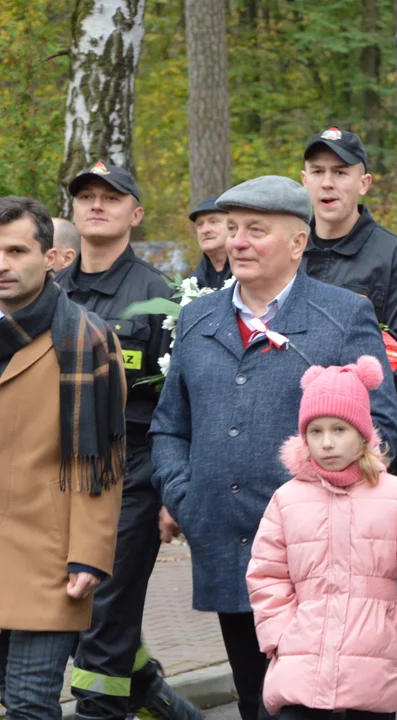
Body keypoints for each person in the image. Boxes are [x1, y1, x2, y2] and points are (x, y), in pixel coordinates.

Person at [150, 176, 397, 720]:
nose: (236, 242)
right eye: (233, 228)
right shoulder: (199, 318)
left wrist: (325, 506)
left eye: (255, 230)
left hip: (319, 561)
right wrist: (186, 497)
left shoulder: (343, 314)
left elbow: (380, 431)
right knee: (253, 698)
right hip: (227, 548)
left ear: (297, 241)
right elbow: (169, 427)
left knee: (324, 704)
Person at [246, 354, 397, 720]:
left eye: (340, 430)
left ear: (363, 434)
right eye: (315, 432)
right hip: (302, 657)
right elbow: (267, 574)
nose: (327, 443)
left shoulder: (395, 494)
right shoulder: (286, 499)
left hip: (375, 657)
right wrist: (280, 635)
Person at [56, 162, 198, 720]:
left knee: (106, 613)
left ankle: (100, 711)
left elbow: (179, 404)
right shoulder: (49, 292)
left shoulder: (159, 298)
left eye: (111, 199)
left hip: (130, 475)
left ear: (135, 215)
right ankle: (158, 698)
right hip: (58, 475)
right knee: (63, 606)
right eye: (86, 196)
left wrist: (171, 491)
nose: (96, 205)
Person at [0, 196, 125, 720]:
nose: (2, 263)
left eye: (16, 250)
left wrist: (89, 555)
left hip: (47, 559)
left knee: (31, 705)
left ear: (50, 257)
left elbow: (103, 461)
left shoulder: (87, 336)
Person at [299, 127, 397, 474]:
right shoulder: (288, 252)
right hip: (294, 444)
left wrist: (344, 423)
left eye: (340, 172)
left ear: (364, 183)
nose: (327, 183)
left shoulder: (395, 259)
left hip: (367, 450)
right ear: (304, 180)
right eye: (318, 172)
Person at [189, 196, 233, 290]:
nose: (205, 230)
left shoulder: (250, 275)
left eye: (213, 222)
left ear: (233, 227)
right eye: (200, 224)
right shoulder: (191, 285)